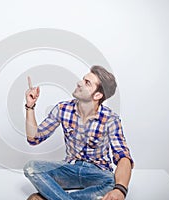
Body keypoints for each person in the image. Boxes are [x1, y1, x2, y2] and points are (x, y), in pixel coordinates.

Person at [23, 65, 134, 200]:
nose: (79, 83)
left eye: (87, 83)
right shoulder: (63, 109)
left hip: (98, 173)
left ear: (98, 95)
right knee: (32, 168)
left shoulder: (111, 119)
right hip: (69, 169)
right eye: (83, 79)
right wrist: (30, 106)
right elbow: (34, 138)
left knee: (112, 182)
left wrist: (120, 190)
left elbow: (123, 156)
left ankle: (50, 197)